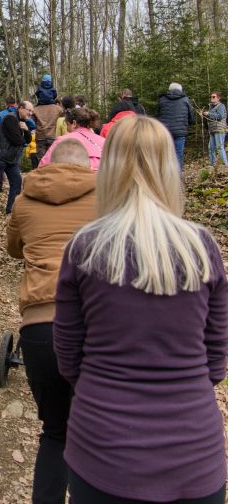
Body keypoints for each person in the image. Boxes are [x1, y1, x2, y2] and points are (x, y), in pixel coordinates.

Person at [54, 115, 228, 504]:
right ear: (169, 168)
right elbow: (216, 361)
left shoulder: (85, 248)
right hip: (194, 454)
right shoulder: (201, 247)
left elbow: (68, 358)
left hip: (102, 451)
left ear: (109, 170)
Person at [6, 139, 97, 504]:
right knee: (94, 434)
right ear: (88, 166)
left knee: (56, 431)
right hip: (94, 325)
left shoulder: (24, 200)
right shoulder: (108, 198)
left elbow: (13, 248)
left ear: (48, 163)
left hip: (39, 326)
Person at [40, 108, 105, 171]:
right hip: (102, 176)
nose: (67, 129)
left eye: (67, 124)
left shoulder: (63, 140)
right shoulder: (103, 141)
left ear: (74, 123)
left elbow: (43, 166)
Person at [157, 82, 195, 170]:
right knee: (178, 155)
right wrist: (187, 124)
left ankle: (164, 176)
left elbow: (158, 114)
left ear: (169, 89)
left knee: (165, 155)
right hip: (180, 132)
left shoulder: (162, 99)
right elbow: (192, 117)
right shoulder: (186, 100)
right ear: (180, 90)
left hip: (165, 132)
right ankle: (177, 177)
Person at [203, 91, 228, 165]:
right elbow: (210, 117)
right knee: (211, 148)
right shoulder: (211, 106)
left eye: (213, 97)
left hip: (220, 130)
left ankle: (225, 166)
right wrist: (204, 114)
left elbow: (220, 116)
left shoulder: (221, 106)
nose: (212, 98)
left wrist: (209, 114)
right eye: (211, 96)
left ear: (218, 98)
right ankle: (212, 165)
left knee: (219, 148)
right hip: (213, 130)